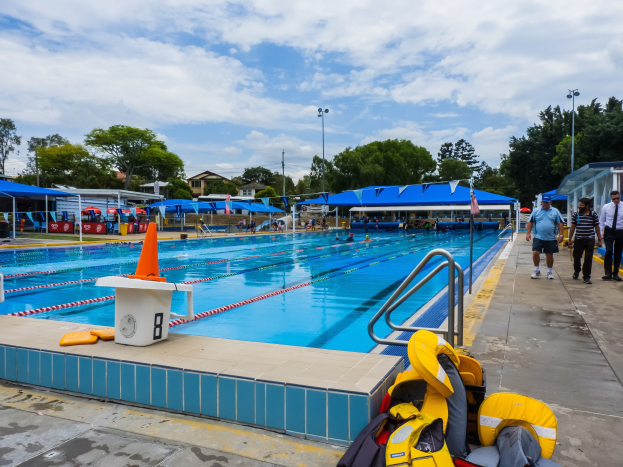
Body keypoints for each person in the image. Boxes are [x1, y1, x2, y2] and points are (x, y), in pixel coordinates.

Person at [526, 194, 564, 280]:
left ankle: (549, 271)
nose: (545, 204)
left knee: (549, 254)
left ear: (550, 202)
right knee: (535, 252)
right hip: (538, 236)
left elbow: (560, 223)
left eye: (547, 202)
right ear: (541, 202)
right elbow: (530, 222)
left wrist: (561, 235)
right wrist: (528, 233)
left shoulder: (555, 211)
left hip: (551, 237)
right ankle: (536, 270)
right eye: (544, 202)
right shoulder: (536, 211)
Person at [569, 197, 602, 284]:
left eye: (582, 205)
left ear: (587, 206)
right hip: (578, 239)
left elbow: (597, 227)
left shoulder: (593, 214)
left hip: (589, 239)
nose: (580, 207)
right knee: (576, 258)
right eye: (579, 205)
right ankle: (577, 271)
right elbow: (572, 227)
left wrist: (599, 239)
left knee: (588, 259)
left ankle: (586, 277)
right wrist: (569, 240)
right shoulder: (576, 215)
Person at [599, 190, 623, 281]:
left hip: (620, 231)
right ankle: (608, 273)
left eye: (617, 198)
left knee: (618, 252)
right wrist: (600, 233)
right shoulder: (606, 207)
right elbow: (601, 220)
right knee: (609, 251)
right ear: (611, 198)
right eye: (614, 199)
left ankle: (615, 273)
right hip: (609, 231)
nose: (616, 200)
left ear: (620, 197)